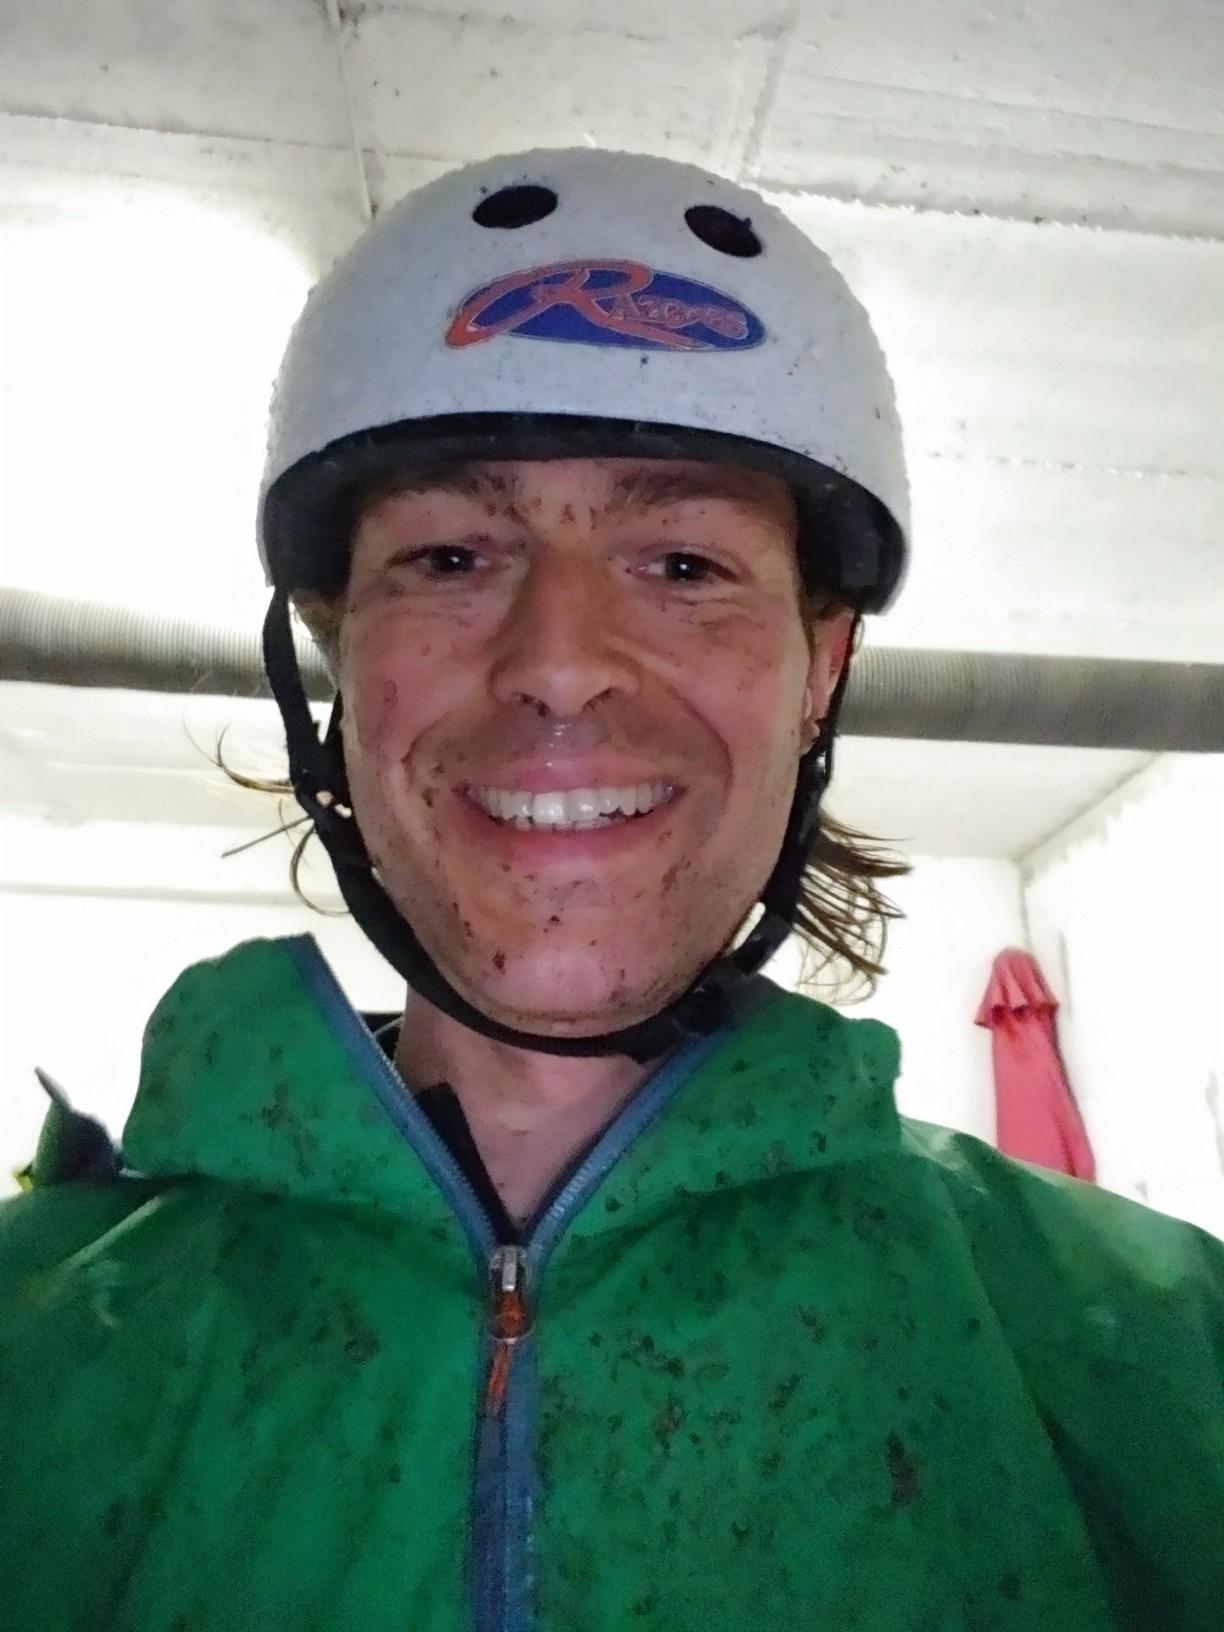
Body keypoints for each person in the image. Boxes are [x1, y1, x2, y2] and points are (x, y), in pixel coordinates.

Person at [1, 148, 1221, 1632]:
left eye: (686, 563)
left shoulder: (1166, 1354)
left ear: (820, 668)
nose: (561, 662)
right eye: (452, 555)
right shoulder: (32, 1342)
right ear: (339, 665)